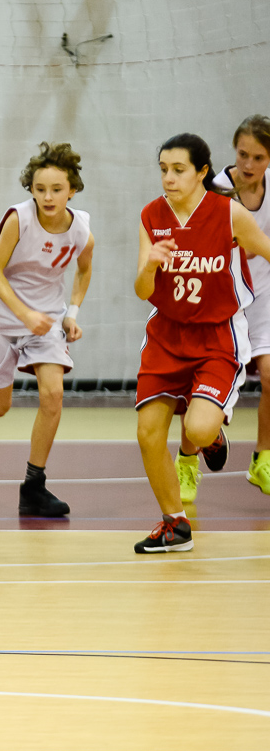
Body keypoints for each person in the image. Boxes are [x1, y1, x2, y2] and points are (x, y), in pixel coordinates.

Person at [133, 133, 270, 554]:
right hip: (166, 335)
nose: (169, 178)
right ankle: (175, 524)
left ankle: (210, 436)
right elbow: (142, 291)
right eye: (163, 170)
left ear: (202, 172)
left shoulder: (229, 214)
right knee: (148, 433)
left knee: (197, 428)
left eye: (178, 170)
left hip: (216, 336)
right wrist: (150, 266)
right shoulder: (151, 215)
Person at [0, 142, 94, 518]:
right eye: (40, 189)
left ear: (72, 190)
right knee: (0, 407)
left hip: (46, 319)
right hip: (1, 313)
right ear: (31, 189)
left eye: (56, 189)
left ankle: (33, 486)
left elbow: (84, 270)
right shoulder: (19, 219)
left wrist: (72, 313)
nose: (48, 197)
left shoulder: (81, 229)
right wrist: (24, 314)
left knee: (53, 394)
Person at [206, 116, 270, 497]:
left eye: (258, 157)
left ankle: (262, 458)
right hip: (224, 297)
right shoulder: (215, 189)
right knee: (204, 386)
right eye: (243, 154)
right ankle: (188, 456)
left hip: (263, 297)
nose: (248, 164)